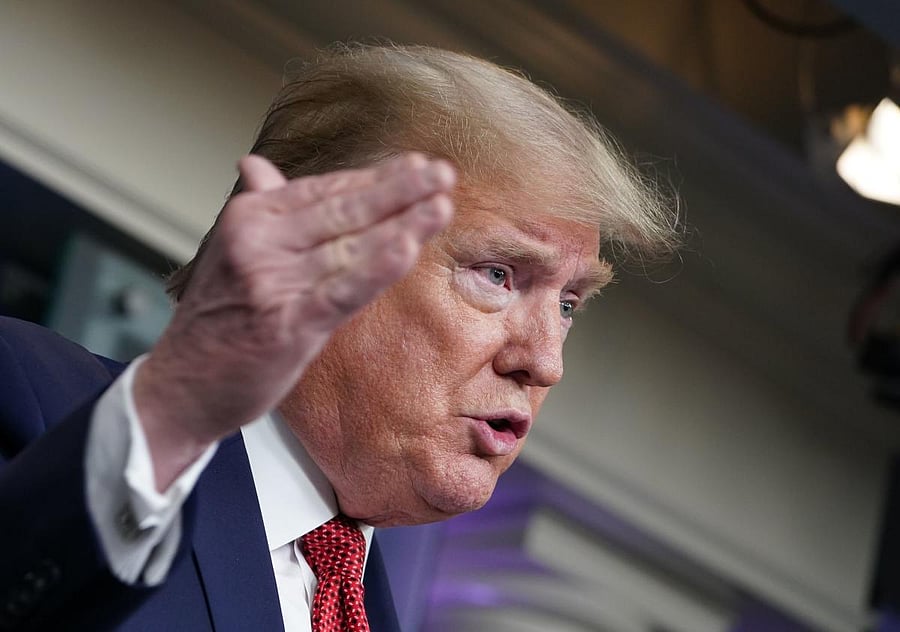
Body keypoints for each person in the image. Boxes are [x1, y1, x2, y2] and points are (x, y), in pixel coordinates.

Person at [0, 44, 677, 631]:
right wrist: (176, 410)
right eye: (498, 274)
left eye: (568, 302)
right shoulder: (29, 393)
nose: (544, 361)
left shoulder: (371, 611)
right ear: (320, 250)